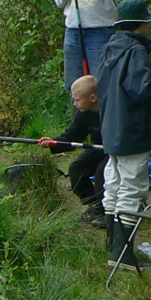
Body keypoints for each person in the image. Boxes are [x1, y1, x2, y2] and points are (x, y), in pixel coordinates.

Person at [96, 0, 151, 268]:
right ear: (143, 24)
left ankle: (113, 246)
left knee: (114, 187)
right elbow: (142, 91)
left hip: (111, 129)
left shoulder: (109, 48)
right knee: (132, 189)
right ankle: (122, 255)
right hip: (131, 129)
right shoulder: (135, 51)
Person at [38, 74, 108, 226]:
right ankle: (95, 205)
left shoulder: (111, 110)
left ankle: (107, 211)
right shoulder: (82, 114)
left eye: (77, 100)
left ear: (93, 97)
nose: (74, 104)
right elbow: (72, 137)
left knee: (102, 173)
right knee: (76, 169)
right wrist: (53, 143)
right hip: (97, 149)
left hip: (117, 151)